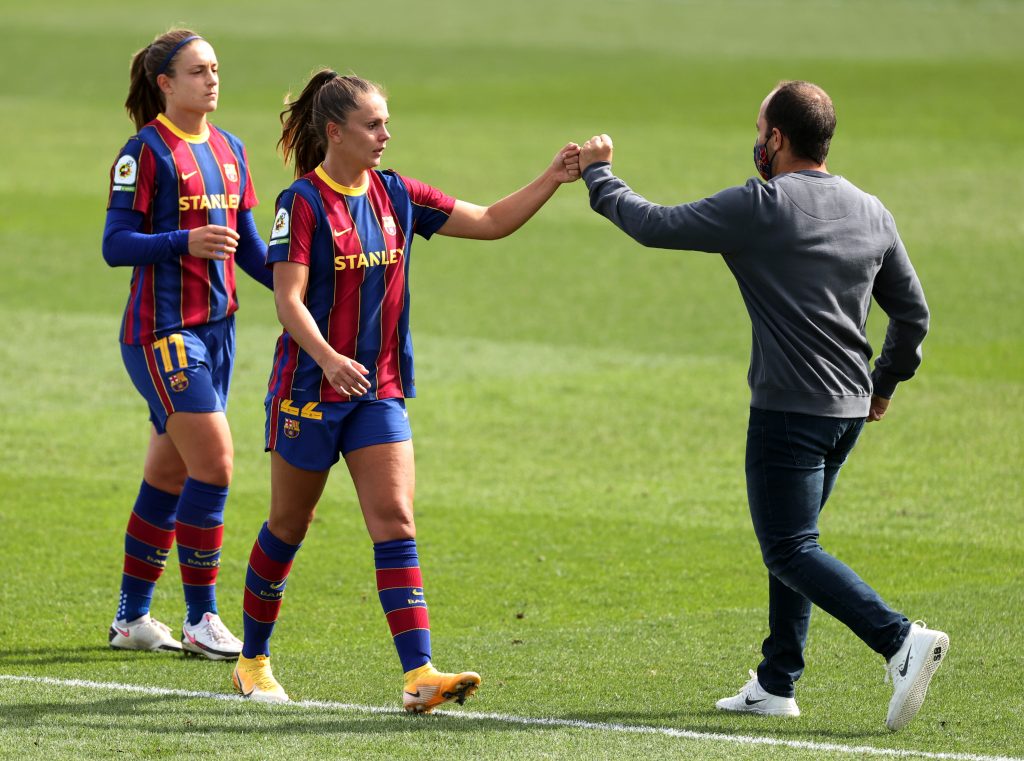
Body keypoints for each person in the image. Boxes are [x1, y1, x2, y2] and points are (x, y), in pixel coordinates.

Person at [578, 81, 947, 732]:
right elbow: (913, 314)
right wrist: (883, 383)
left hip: (788, 413)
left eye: (759, 128)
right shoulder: (871, 209)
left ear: (776, 138)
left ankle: (899, 640)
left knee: (788, 546)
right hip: (846, 411)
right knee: (795, 538)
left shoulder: (762, 206)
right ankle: (777, 681)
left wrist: (600, 174)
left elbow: (651, 223)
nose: (756, 140)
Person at [231, 69, 580, 710]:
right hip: (310, 390)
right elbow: (288, 299)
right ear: (335, 132)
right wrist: (330, 357)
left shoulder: (397, 195)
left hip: (378, 393)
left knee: (395, 521)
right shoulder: (301, 203)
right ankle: (252, 661)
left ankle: (419, 675)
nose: (386, 135)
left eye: (387, 122)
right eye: (373, 124)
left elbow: (491, 221)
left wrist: (553, 178)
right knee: (289, 524)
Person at [102, 28, 273, 660]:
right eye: (198, 71)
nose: (212, 80)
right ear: (165, 84)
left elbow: (250, 249)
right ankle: (203, 617)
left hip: (219, 330)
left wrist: (303, 290)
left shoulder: (231, 149)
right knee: (215, 465)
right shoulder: (144, 152)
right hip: (162, 333)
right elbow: (115, 244)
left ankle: (131, 619)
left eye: (216, 69)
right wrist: (182, 241)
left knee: (170, 472)